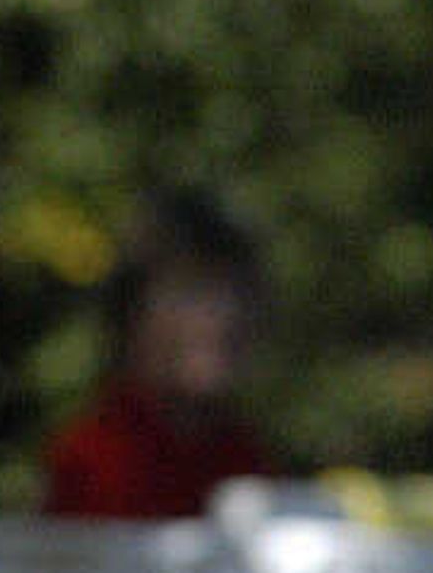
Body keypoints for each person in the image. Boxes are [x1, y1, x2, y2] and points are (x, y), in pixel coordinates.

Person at [38, 188, 280, 522]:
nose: (228, 316)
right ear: (132, 313)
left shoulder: (244, 461)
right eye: (195, 291)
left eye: (240, 293)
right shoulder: (95, 460)